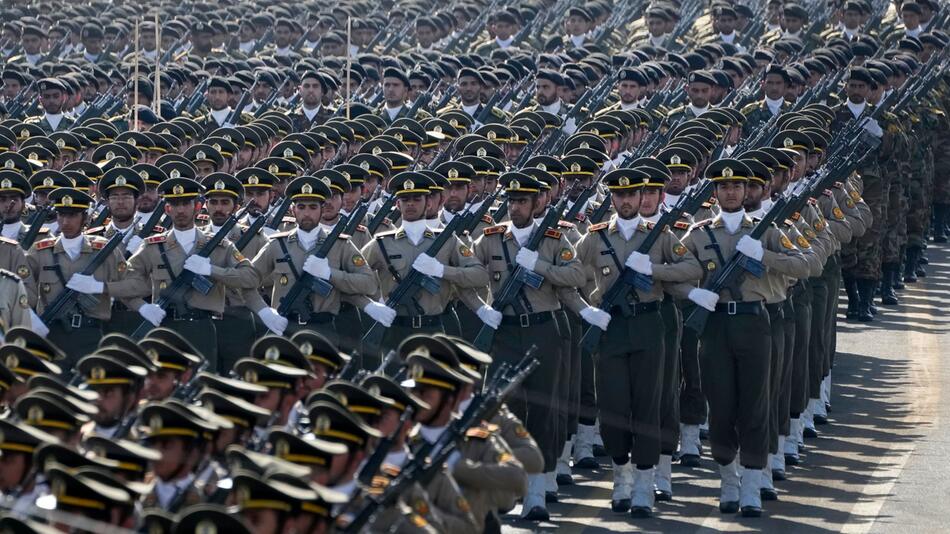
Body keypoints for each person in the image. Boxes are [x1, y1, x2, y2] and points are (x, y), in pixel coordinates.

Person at [680, 159, 811, 517]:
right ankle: (728, 479)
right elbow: (674, 273)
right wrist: (693, 295)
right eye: (724, 187)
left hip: (755, 324)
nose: (731, 191)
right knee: (720, 407)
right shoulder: (698, 234)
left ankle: (752, 482)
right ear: (715, 193)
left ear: (746, 190)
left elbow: (804, 265)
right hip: (716, 327)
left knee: (756, 405)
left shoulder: (766, 231)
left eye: (737, 186)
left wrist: (764, 255)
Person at [107, 177, 261, 367]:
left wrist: (211, 270)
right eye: (174, 204)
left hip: (201, 328)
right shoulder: (152, 246)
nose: (180, 210)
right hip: (163, 327)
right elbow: (123, 282)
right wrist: (142, 307)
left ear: (197, 207)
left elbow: (251, 277)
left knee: (202, 386)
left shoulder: (220, 245)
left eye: (186, 204)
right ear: (167, 209)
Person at [26, 187, 131, 363]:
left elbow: (130, 284)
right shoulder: (40, 250)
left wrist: (101, 288)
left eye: (72, 215)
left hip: (92, 333)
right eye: (61, 214)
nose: (65, 221)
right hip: (51, 332)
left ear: (85, 218)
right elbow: (21, 287)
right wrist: (29, 316)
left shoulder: (105, 249)